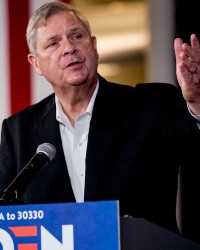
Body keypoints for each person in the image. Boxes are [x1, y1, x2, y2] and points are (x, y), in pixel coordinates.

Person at [0, 1, 199, 245]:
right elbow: (7, 215)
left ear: (93, 46)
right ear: (36, 63)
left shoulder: (149, 106)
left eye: (77, 36)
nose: (69, 48)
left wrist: (196, 103)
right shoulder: (17, 130)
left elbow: (193, 144)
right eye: (54, 43)